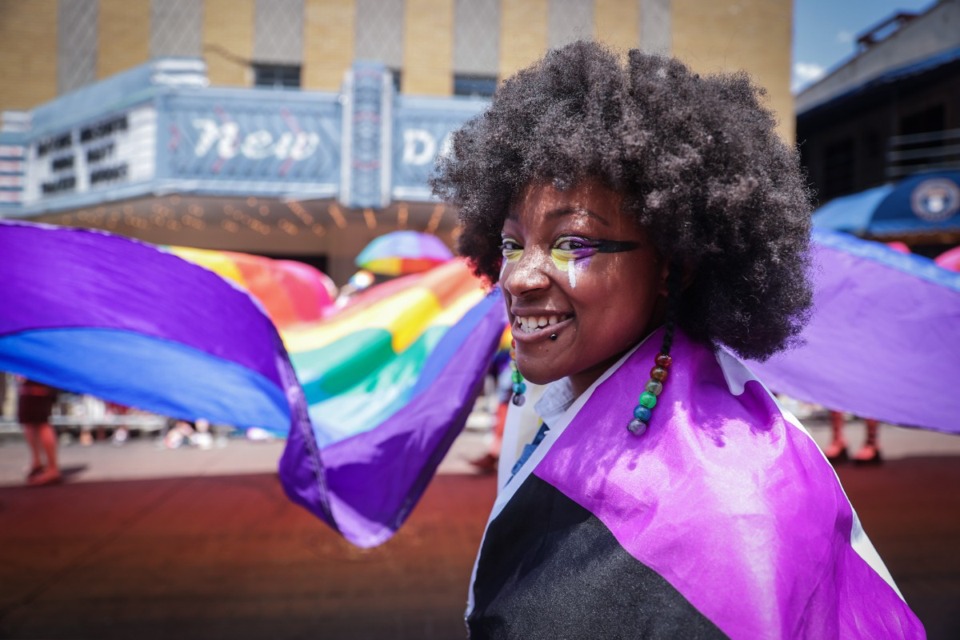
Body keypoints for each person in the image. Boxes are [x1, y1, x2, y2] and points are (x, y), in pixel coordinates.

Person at [432, 42, 923, 638]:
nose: (519, 275)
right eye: (512, 244)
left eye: (571, 243)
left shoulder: (731, 507)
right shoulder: (553, 402)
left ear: (674, 266)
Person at [17, 377, 62, 486]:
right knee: (30, 422)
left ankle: (52, 468)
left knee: (41, 423)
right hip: (33, 383)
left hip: (39, 384)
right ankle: (37, 463)